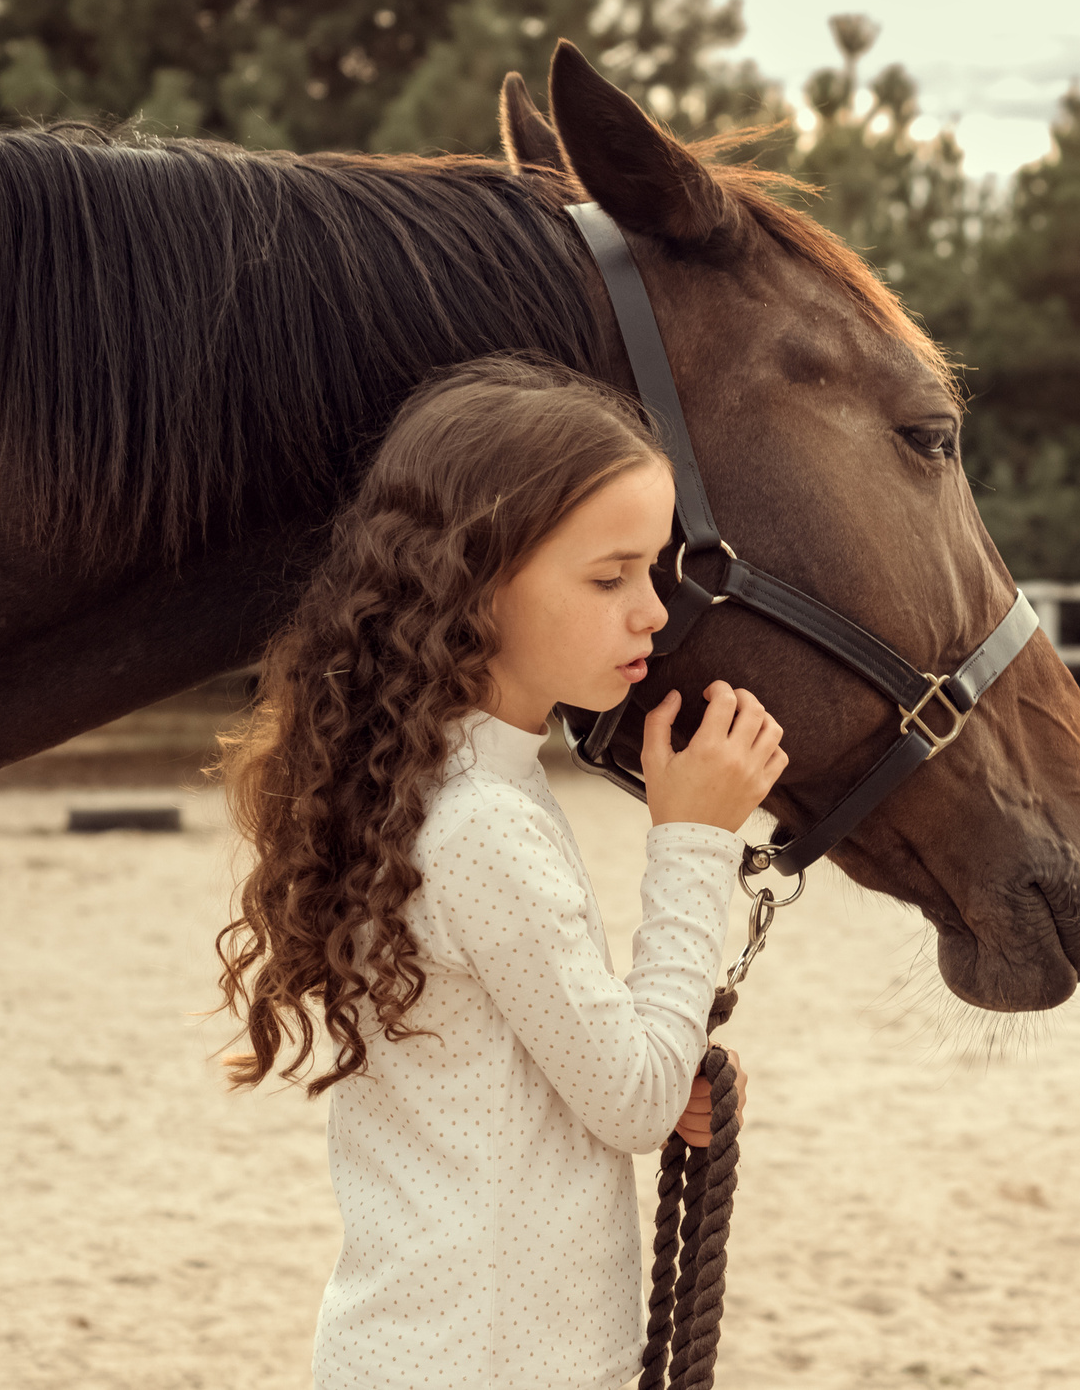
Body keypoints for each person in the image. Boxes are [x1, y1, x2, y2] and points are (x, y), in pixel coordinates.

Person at [215, 353, 788, 1390]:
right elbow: (625, 1104)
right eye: (609, 577)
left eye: (653, 571)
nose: (652, 611)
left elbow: (564, 1058)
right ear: (473, 586)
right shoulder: (483, 824)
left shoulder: (428, 783)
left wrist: (664, 1077)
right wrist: (696, 839)